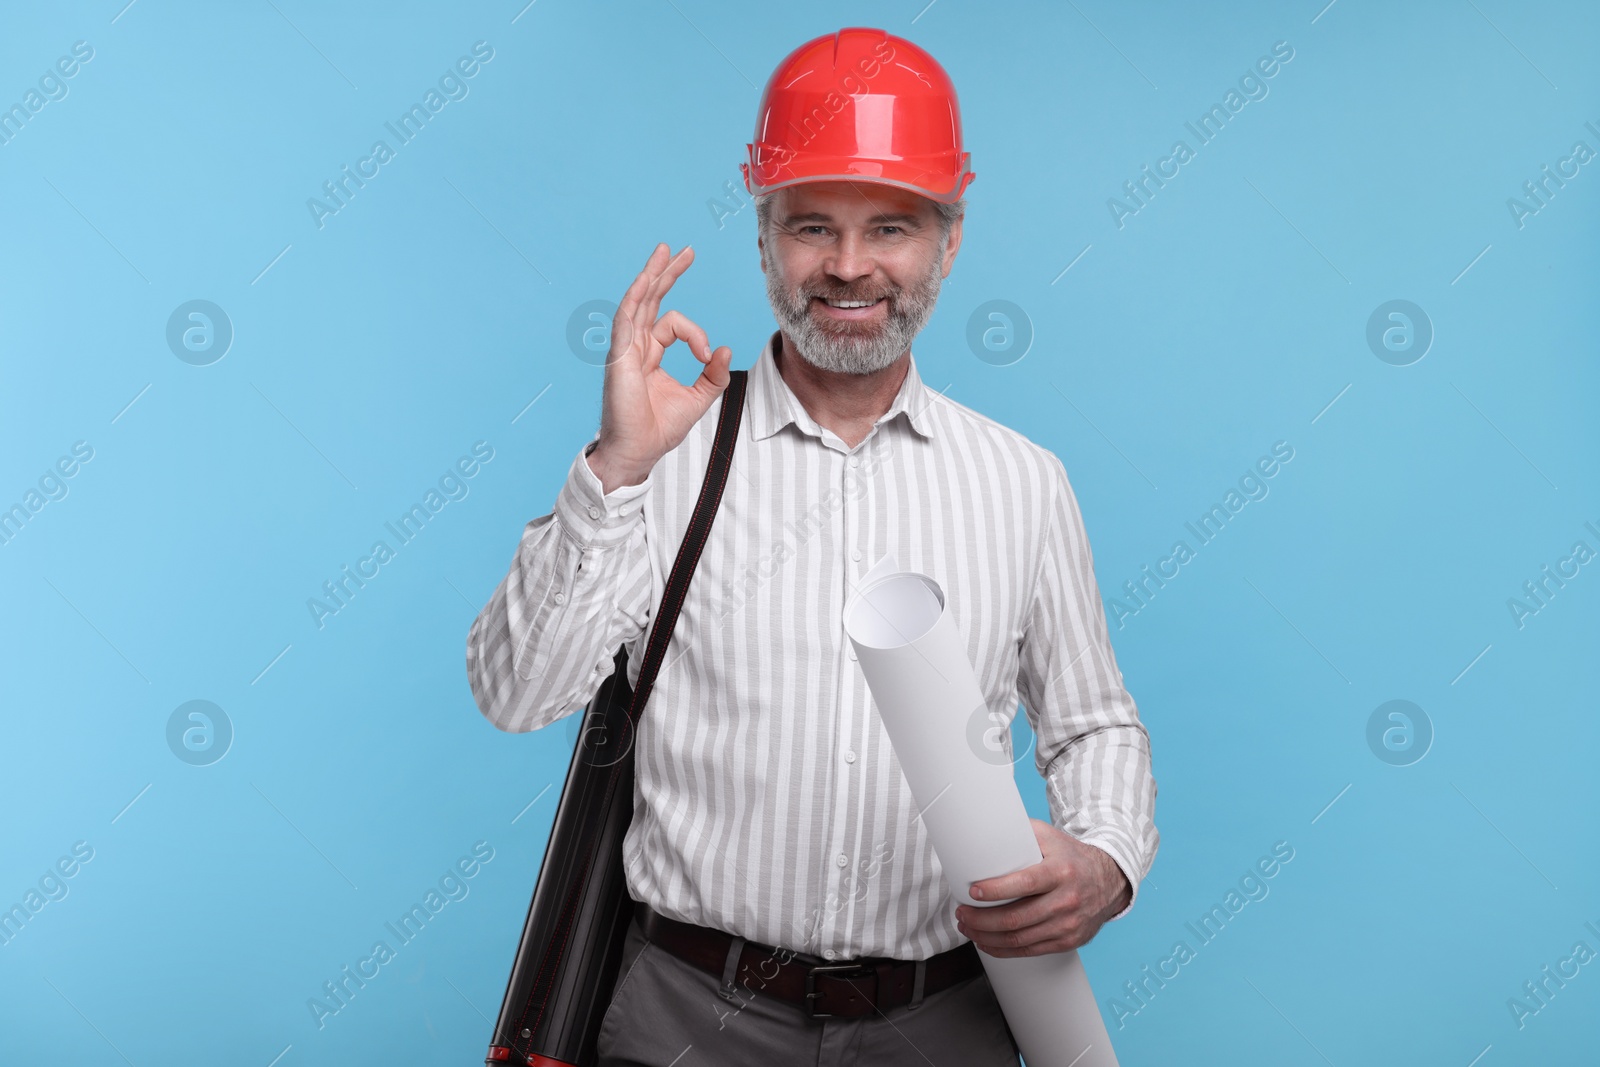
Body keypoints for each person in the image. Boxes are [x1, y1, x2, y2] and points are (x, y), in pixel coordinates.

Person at [466, 27, 1157, 1066]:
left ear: (949, 241)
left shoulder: (1024, 482)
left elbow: (1093, 723)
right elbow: (515, 692)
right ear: (762, 237)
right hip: (685, 1019)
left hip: (941, 1023)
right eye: (810, 227)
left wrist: (1104, 857)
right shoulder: (664, 455)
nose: (847, 266)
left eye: (890, 226)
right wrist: (612, 470)